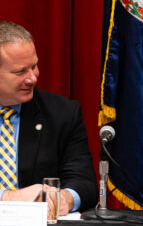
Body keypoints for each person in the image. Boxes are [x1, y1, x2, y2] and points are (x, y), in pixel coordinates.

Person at [0, 21, 98, 215]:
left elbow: (84, 182)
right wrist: (7, 197)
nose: (33, 78)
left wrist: (66, 199)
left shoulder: (62, 113)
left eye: (34, 66)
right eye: (20, 71)